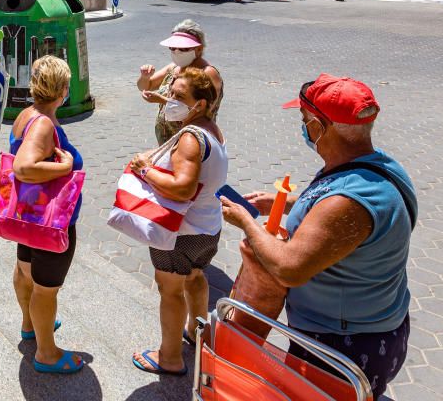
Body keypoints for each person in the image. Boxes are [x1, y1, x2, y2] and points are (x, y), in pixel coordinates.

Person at [221, 75, 415, 399]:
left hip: (342, 349)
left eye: (303, 121)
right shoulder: (375, 166)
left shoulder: (351, 201)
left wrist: (245, 221)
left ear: (319, 125)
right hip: (372, 330)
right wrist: (278, 203)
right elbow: (327, 200)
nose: (303, 130)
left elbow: (290, 268)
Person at [130, 68, 228, 376]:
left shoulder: (189, 137)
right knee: (196, 278)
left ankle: (170, 357)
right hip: (207, 229)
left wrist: (146, 170)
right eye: (171, 93)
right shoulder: (211, 129)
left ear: (200, 104)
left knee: (170, 289)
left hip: (179, 232)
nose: (171, 99)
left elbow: (183, 187)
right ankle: (196, 332)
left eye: (180, 96)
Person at [9, 56, 85, 374]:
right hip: (50, 221)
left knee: (25, 270)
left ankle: (30, 325)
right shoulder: (42, 123)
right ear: (63, 90)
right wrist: (66, 165)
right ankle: (47, 353)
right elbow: (23, 167)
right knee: (46, 288)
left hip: (29, 213)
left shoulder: (28, 114)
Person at [137, 20, 224, 145]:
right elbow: (146, 86)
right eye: (173, 48)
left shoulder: (208, 73)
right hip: (168, 141)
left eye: (184, 49)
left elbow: (203, 109)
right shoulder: (174, 67)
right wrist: (145, 77)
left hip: (190, 141)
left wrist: (162, 100)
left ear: (199, 49)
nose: (177, 52)